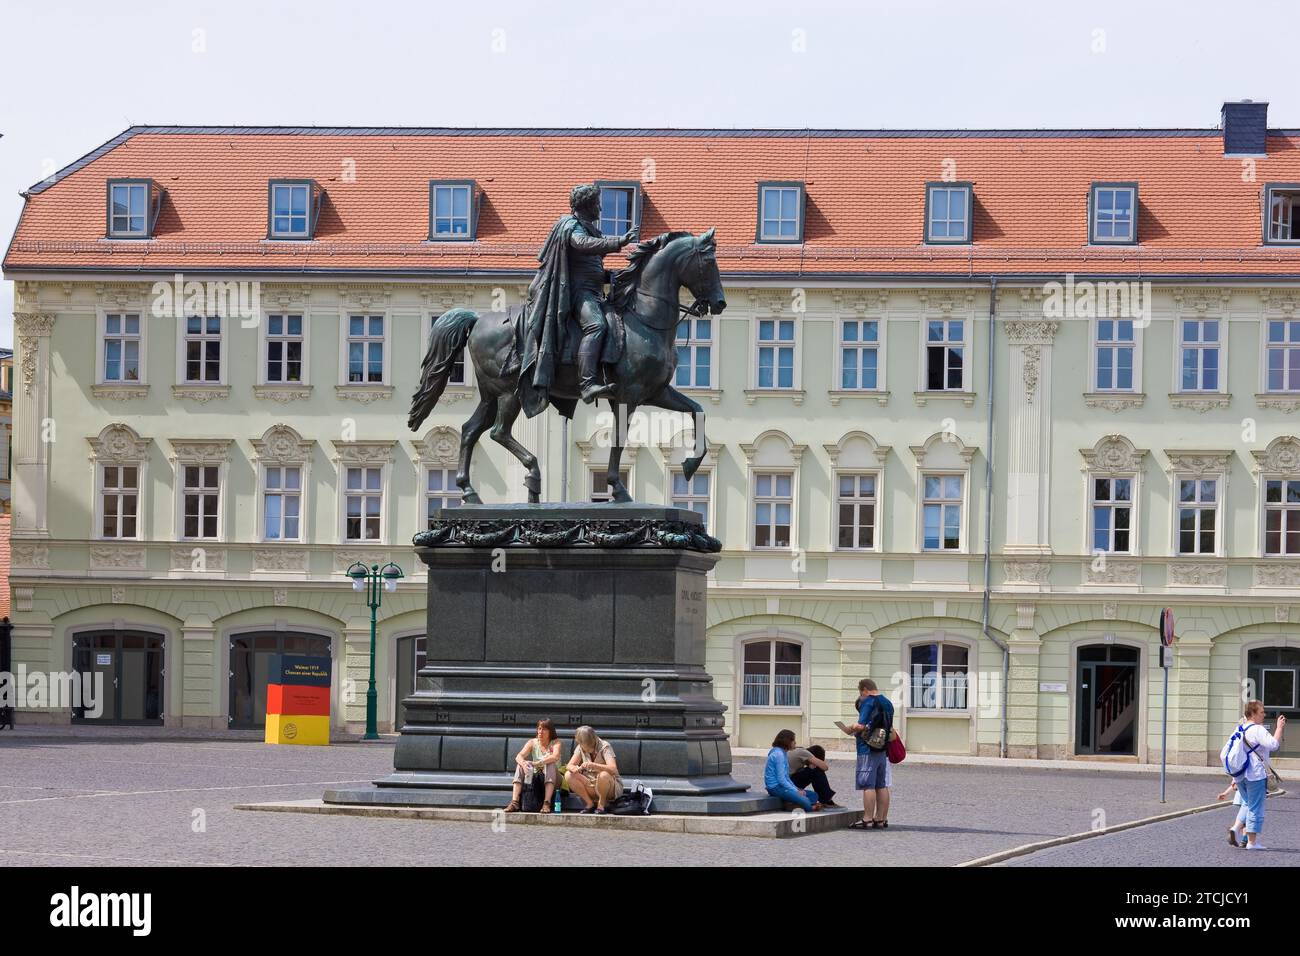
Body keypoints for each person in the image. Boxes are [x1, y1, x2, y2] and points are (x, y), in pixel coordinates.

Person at [520, 183, 640, 411]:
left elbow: (588, 265)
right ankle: (587, 384)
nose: (600, 210)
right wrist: (619, 242)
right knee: (596, 325)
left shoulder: (586, 227)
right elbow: (582, 245)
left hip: (592, 291)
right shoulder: (570, 226)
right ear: (586, 206)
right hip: (575, 293)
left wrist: (611, 276)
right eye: (596, 204)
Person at [1227, 701, 1286, 850]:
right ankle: (1252, 843)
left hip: (1240, 775)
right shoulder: (1257, 729)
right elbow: (1273, 744)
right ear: (1252, 714)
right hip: (1255, 774)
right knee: (1255, 807)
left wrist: (1234, 779)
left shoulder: (1239, 729)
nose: (1264, 714)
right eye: (1261, 712)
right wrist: (1279, 728)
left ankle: (1235, 828)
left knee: (1247, 804)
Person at [844, 677, 894, 831]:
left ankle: (867, 819)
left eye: (861, 693)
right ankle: (881, 818)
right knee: (882, 785)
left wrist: (850, 727)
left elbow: (861, 725)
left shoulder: (868, 701)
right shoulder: (887, 702)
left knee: (868, 785)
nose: (862, 696)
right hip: (882, 747)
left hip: (867, 748)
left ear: (865, 690)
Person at [505, 718, 563, 813]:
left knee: (550, 763)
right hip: (536, 778)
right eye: (539, 729)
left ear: (550, 731)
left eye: (544, 729)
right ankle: (514, 802)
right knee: (520, 765)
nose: (540, 732)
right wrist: (524, 764)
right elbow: (519, 756)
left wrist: (538, 763)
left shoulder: (556, 742)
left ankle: (547, 803)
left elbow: (555, 756)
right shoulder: (532, 742)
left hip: (554, 779)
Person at [566, 725, 623, 814]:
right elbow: (569, 765)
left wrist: (594, 765)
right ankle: (590, 804)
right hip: (591, 784)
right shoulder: (580, 747)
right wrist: (574, 769)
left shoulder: (605, 746)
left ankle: (601, 804)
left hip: (609, 787)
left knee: (603, 775)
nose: (582, 747)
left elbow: (613, 768)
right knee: (569, 775)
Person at [765, 729, 823, 812]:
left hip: (782, 786)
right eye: (793, 740)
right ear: (787, 741)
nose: (795, 742)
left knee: (813, 795)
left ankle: (792, 804)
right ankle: (810, 808)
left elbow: (786, 777)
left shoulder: (782, 753)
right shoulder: (779, 755)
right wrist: (795, 791)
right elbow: (781, 779)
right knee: (805, 800)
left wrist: (796, 789)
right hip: (776, 788)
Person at [788, 742, 839, 808]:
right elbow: (825, 767)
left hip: (787, 782)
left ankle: (826, 800)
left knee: (813, 771)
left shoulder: (799, 752)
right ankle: (827, 801)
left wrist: (810, 767)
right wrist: (815, 765)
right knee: (816, 770)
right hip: (787, 784)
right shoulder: (803, 752)